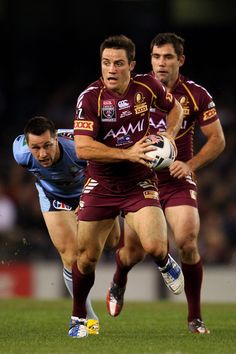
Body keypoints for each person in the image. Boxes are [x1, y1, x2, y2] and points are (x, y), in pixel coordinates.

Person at [106, 33, 226, 334]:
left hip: (176, 180)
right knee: (134, 252)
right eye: (157, 57)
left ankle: (194, 318)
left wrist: (190, 164)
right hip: (139, 180)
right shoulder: (137, 87)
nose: (161, 63)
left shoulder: (197, 94)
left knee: (186, 240)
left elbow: (218, 140)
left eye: (168, 57)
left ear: (180, 60)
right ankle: (119, 277)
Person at [69, 34, 184, 338]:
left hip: (138, 180)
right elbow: (82, 148)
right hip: (102, 182)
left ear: (132, 65)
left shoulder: (148, 86)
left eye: (119, 63)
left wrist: (169, 136)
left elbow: (176, 110)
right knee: (86, 257)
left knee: (155, 246)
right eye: (106, 63)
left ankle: (165, 261)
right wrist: (127, 153)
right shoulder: (90, 97)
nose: (111, 69)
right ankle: (78, 318)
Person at [12, 116, 120, 335]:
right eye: (36, 148)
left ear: (57, 140)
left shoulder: (77, 148)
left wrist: (89, 200)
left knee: (113, 242)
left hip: (90, 191)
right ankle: (87, 317)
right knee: (71, 257)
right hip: (53, 196)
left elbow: (106, 169)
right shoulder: (21, 154)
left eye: (47, 146)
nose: (42, 154)